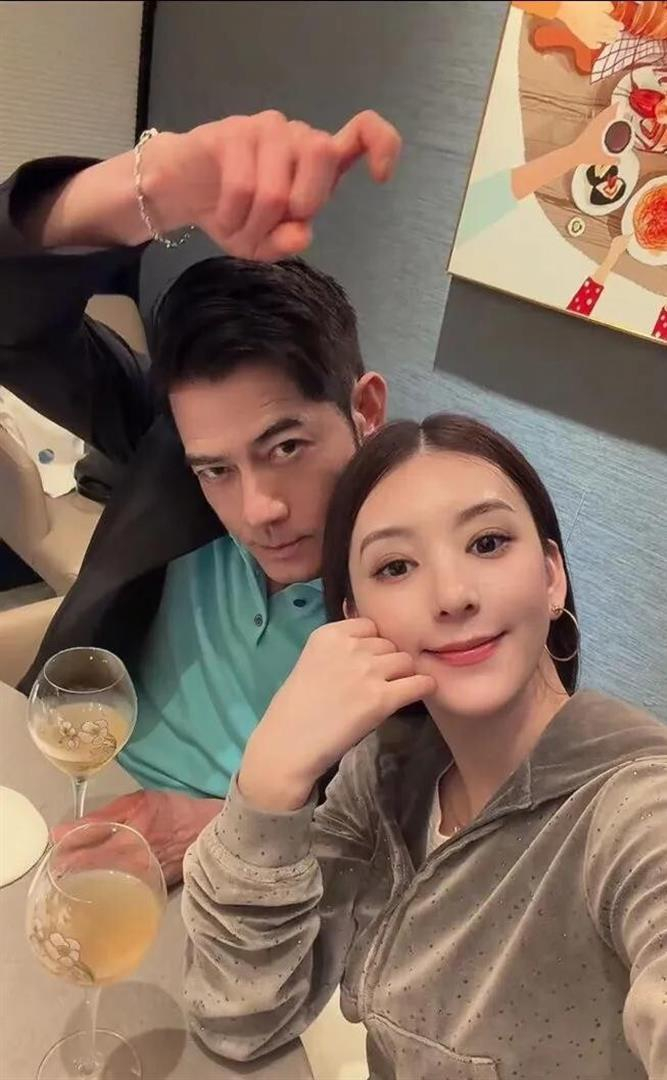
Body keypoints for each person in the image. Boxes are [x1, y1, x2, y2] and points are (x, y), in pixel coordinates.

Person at [182, 413, 667, 1079]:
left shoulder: (631, 807)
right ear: (355, 620)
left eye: (487, 543)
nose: (452, 596)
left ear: (551, 575)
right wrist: (269, 778)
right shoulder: (385, 773)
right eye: (396, 566)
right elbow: (241, 1017)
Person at [0, 109, 401, 882]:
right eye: (215, 468)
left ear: (365, 409)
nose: (258, 510)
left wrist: (221, 829)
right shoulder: (170, 459)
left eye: (286, 448)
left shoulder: (424, 573)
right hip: (73, 786)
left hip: (254, 882)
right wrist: (148, 189)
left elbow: (431, 838)